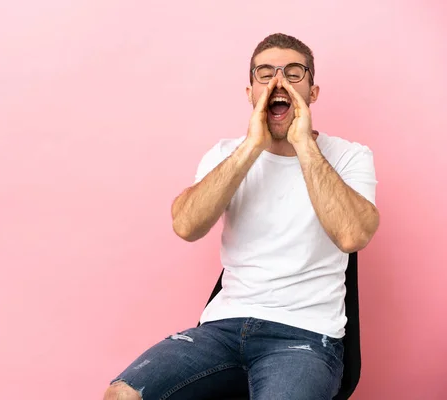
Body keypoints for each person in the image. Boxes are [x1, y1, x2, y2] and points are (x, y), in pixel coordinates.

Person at [103, 32, 380, 400]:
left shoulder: (349, 157)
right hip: (222, 330)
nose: (278, 82)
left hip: (305, 336)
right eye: (265, 74)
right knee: (122, 395)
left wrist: (303, 144)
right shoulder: (225, 154)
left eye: (293, 73)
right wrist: (253, 145)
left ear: (313, 93)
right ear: (250, 93)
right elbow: (185, 225)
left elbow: (353, 235)